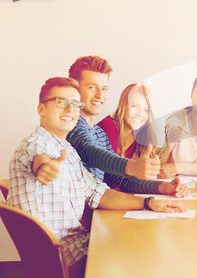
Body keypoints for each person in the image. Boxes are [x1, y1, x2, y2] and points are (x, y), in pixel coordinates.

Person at [8, 77, 187, 278]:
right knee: (154, 255)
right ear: (41, 109)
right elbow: (39, 159)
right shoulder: (36, 146)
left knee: (152, 244)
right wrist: (44, 168)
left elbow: (99, 193)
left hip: (80, 244)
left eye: (75, 104)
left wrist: (149, 202)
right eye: (61, 102)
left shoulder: (67, 150)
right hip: (63, 258)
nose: (70, 110)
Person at [59, 55, 187, 196]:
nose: (100, 95)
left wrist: (164, 187)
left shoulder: (99, 133)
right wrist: (132, 166)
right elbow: (90, 152)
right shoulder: (70, 126)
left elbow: (119, 178)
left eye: (105, 89)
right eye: (92, 87)